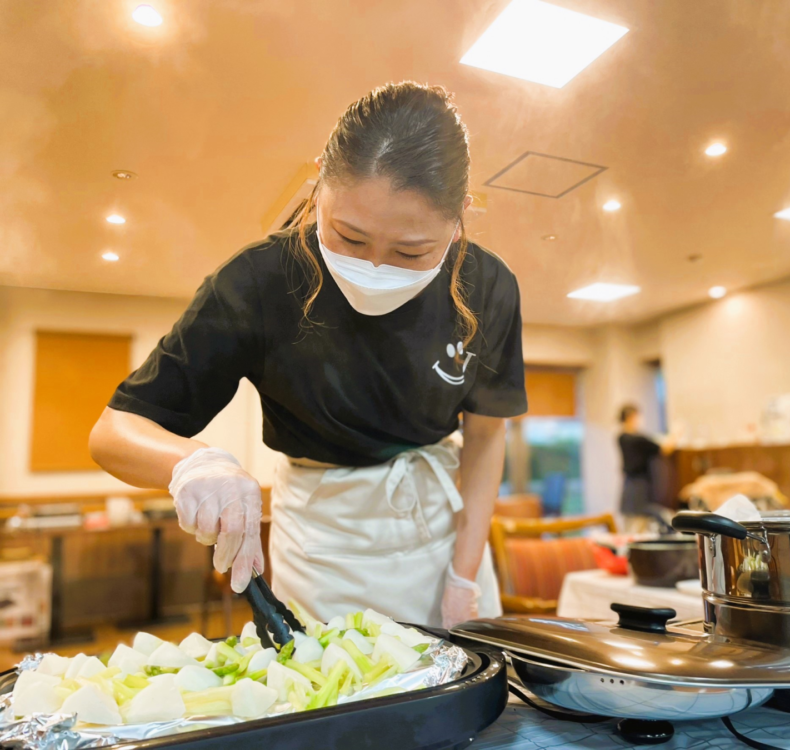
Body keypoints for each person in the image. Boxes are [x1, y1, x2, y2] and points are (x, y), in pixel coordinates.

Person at [89, 82, 527, 629]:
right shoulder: (260, 281)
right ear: (320, 179)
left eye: (411, 251)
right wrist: (194, 464)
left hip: (444, 531)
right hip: (324, 540)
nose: (374, 266)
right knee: (334, 699)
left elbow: (486, 436)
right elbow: (113, 432)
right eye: (348, 236)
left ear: (461, 214)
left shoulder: (487, 284)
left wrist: (464, 574)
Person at [617, 404, 673, 532]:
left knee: (632, 521)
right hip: (639, 484)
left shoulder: (621, 437)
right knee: (638, 522)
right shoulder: (636, 439)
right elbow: (665, 448)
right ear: (631, 417)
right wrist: (677, 433)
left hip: (629, 483)